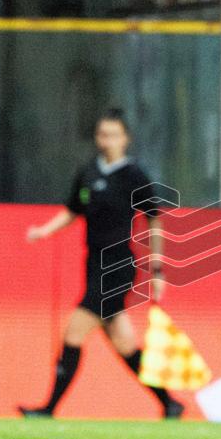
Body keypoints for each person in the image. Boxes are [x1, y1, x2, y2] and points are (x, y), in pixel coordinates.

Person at [19, 110, 184, 419]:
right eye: (103, 135)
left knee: (73, 333)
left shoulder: (134, 175)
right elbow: (73, 210)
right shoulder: (88, 173)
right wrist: (45, 230)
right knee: (124, 344)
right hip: (94, 265)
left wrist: (158, 270)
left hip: (117, 267)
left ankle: (49, 408)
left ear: (125, 139)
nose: (107, 141)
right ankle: (170, 403)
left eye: (114, 135)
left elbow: (154, 221)